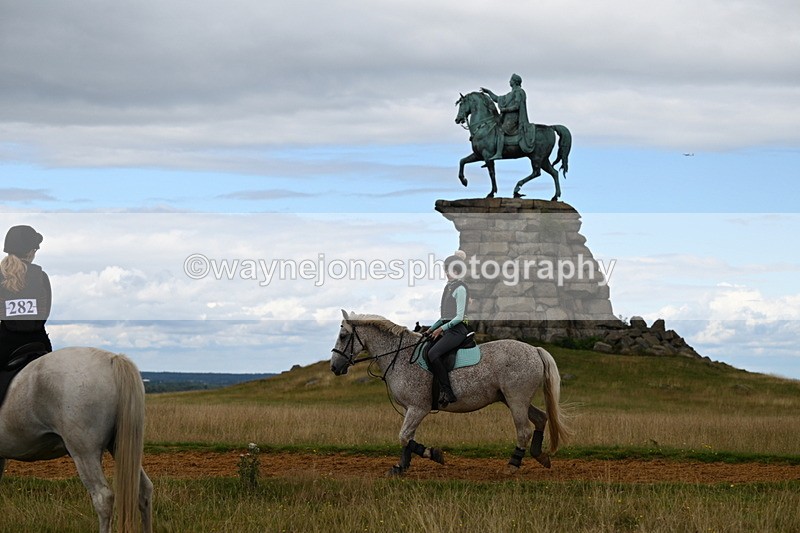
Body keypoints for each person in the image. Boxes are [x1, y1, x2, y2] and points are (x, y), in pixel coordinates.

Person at [0, 225, 52, 369]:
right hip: (38, 341)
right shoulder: (41, 277)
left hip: (6, 343)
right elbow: (45, 313)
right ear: (30, 252)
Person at [426, 250, 471, 407]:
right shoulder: (449, 287)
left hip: (458, 330)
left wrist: (440, 329)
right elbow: (444, 316)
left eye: (448, 269)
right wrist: (430, 330)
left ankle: (448, 391)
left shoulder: (460, 289)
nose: (445, 272)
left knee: (433, 353)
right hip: (449, 329)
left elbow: (458, 317)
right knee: (426, 347)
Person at [480, 73, 536, 160]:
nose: (509, 81)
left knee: (500, 130)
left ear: (515, 82)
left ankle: (499, 153)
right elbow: (497, 99)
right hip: (507, 118)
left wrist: (505, 110)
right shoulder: (510, 94)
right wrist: (489, 92)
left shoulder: (519, 92)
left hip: (514, 119)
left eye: (511, 80)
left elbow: (517, 106)